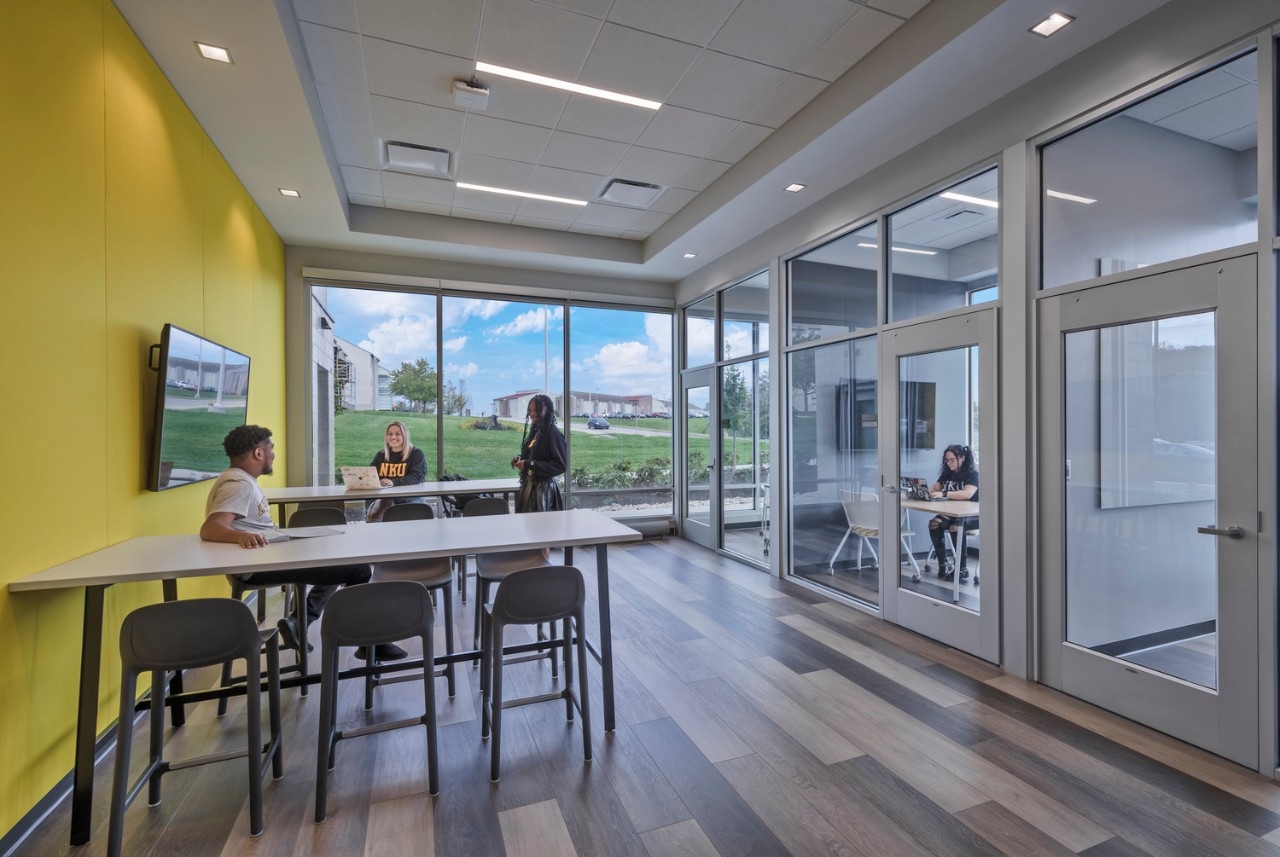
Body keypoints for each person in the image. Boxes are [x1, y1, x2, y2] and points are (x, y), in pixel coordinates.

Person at [200, 424, 405, 660]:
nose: (274, 455)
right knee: (357, 569)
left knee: (339, 559)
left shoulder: (237, 479)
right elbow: (211, 527)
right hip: (257, 565)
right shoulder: (239, 485)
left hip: (266, 557)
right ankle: (369, 641)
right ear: (259, 453)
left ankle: (302, 622)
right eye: (271, 449)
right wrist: (243, 536)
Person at [927, 443, 979, 582]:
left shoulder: (972, 474)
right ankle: (943, 563)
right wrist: (923, 492)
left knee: (955, 527)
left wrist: (944, 493)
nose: (949, 463)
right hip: (952, 512)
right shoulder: (947, 473)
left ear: (961, 458)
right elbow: (934, 487)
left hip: (972, 515)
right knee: (935, 523)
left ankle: (962, 569)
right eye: (947, 460)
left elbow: (967, 494)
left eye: (952, 460)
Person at [511, 393, 567, 514]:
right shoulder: (538, 431)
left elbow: (560, 465)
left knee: (542, 529)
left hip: (544, 492)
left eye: (536, 410)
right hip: (531, 488)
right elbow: (535, 455)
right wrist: (521, 459)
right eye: (530, 410)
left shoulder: (553, 433)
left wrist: (529, 465)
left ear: (548, 409)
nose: (532, 414)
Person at [365, 420, 427, 522]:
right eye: (390, 434)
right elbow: (371, 474)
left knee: (411, 521)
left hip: (410, 496)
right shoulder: (381, 454)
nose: (393, 437)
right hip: (386, 497)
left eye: (398, 434)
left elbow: (416, 477)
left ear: (405, 436)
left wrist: (393, 482)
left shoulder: (416, 453)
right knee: (375, 518)